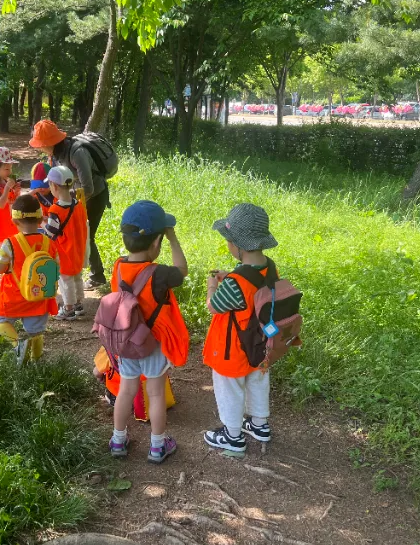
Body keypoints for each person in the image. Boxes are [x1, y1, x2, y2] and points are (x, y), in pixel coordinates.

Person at [108, 200, 189, 464]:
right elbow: (183, 270)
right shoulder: (160, 274)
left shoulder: (118, 267)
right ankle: (157, 446)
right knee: (155, 393)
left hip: (125, 342)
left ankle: (118, 440)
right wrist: (172, 236)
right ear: (156, 244)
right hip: (151, 344)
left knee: (126, 391)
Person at [202, 203, 278, 453]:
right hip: (260, 343)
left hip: (233, 348)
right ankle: (259, 425)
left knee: (229, 388)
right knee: (257, 381)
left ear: (237, 245)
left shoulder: (235, 283)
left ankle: (233, 436)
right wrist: (231, 276)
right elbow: (252, 286)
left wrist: (212, 285)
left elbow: (214, 306)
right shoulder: (269, 266)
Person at [28, 119, 110, 290]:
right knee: (72, 235)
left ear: (49, 143)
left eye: (40, 144)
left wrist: (68, 201)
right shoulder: (55, 155)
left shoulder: (77, 153)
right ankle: (75, 271)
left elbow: (88, 187)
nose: (39, 148)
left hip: (94, 196)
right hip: (74, 198)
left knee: (86, 234)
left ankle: (96, 276)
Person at [0, 194, 59, 365]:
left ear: (15, 220)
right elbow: (56, 267)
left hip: (14, 296)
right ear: (40, 217)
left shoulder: (10, 243)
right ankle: (36, 362)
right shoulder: (48, 242)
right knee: (36, 331)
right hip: (40, 296)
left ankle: (18, 344)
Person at [43, 165, 89, 320]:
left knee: (65, 280)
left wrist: (43, 226)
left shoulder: (56, 210)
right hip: (78, 248)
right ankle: (79, 305)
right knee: (77, 277)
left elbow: (51, 232)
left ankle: (68, 308)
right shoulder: (78, 204)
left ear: (54, 186)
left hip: (64, 251)